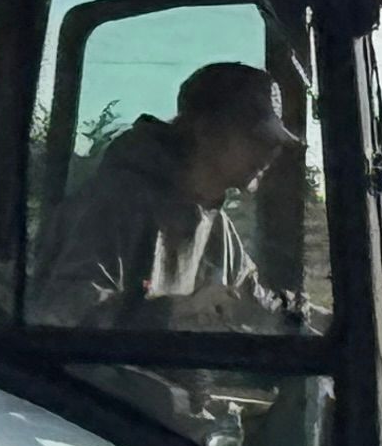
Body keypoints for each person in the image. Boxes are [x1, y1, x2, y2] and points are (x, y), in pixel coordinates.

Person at [34, 60, 302, 336]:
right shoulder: (113, 205)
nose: (271, 150)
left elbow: (254, 303)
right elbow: (58, 314)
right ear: (206, 130)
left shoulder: (216, 224)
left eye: (274, 141)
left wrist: (311, 318)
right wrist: (175, 312)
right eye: (255, 136)